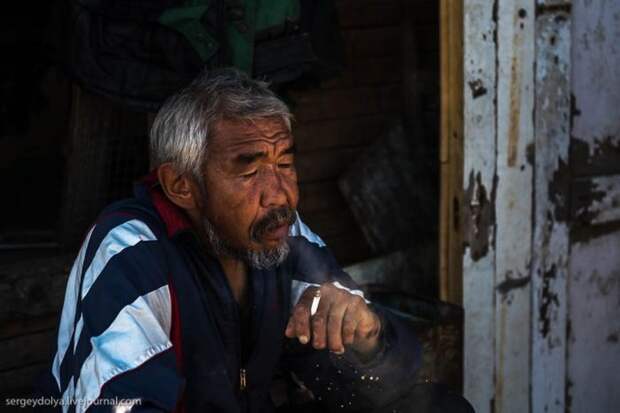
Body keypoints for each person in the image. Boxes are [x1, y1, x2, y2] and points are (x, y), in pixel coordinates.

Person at [42, 68, 424, 413]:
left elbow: (379, 387)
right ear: (181, 185)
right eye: (250, 171)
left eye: (285, 164)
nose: (279, 195)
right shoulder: (131, 250)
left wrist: (369, 337)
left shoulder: (282, 234)